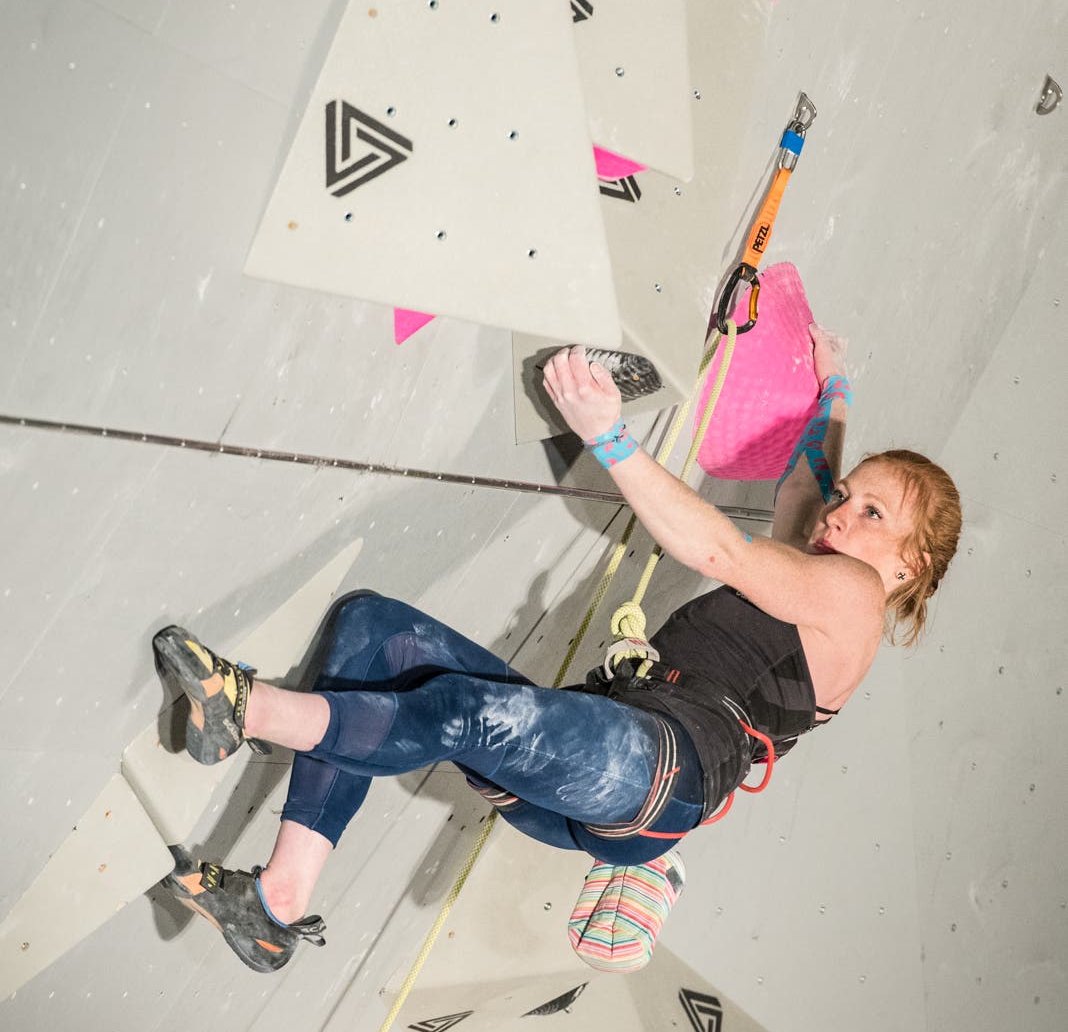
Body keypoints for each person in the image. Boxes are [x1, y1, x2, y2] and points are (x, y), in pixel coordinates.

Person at [155, 325, 961, 971]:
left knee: (466, 714)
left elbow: (722, 554)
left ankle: (244, 707)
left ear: (910, 567)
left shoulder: (854, 598)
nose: (842, 516)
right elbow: (806, 486)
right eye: (853, 499)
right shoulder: (816, 566)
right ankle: (276, 904)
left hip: (657, 772)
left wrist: (609, 439)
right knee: (377, 631)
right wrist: (836, 386)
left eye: (873, 516)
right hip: (598, 772)